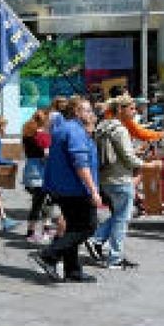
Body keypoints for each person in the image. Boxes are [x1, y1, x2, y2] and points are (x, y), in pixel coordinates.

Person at [32, 97, 101, 283]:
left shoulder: (65, 129)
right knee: (87, 227)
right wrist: (93, 190)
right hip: (76, 189)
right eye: (87, 110)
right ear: (77, 112)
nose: (91, 113)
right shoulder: (75, 131)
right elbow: (80, 163)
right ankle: (49, 255)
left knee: (72, 227)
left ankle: (73, 269)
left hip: (62, 188)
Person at [85, 95, 153, 270]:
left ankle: (97, 240)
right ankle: (114, 257)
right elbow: (128, 159)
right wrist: (147, 164)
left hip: (106, 178)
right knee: (122, 218)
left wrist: (133, 152)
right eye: (131, 108)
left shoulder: (102, 127)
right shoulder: (120, 129)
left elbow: (115, 153)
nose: (134, 111)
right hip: (120, 179)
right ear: (120, 109)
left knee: (119, 216)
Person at [21, 109, 52, 243]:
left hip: (29, 170)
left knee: (38, 203)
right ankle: (38, 232)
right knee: (44, 204)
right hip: (42, 172)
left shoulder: (27, 135)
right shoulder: (44, 136)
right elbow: (46, 155)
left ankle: (34, 230)